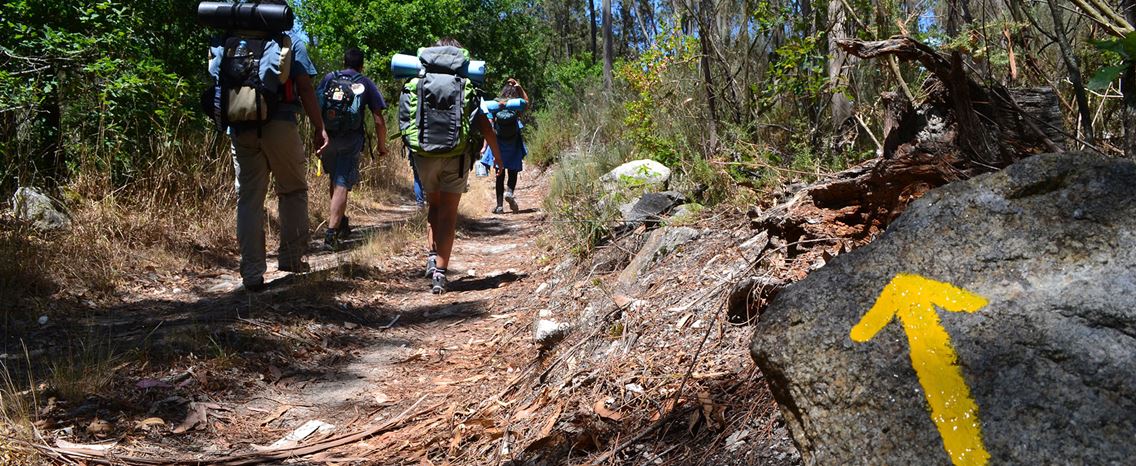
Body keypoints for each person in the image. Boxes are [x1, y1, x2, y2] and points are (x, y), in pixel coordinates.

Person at [221, 2, 327, 293]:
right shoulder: (288, 41)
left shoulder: (228, 41)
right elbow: (305, 88)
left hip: (240, 126)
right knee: (292, 190)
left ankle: (252, 273)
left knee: (249, 199)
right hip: (280, 124)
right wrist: (320, 128)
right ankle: (292, 259)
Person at [401, 38, 504, 294]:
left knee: (433, 205)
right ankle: (440, 272)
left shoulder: (417, 82)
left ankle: (431, 255)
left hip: (424, 155)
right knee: (448, 211)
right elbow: (485, 126)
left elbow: (404, 121)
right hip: (456, 156)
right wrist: (499, 159)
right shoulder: (465, 84)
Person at [316, 47, 389, 250]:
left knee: (335, 178)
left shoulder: (329, 78)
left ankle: (340, 222)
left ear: (343, 61)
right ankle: (331, 233)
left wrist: (318, 133)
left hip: (328, 137)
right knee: (341, 182)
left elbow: (315, 104)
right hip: (351, 139)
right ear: (361, 65)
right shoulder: (364, 82)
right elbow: (378, 118)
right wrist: (381, 146)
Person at [480, 78, 530, 214]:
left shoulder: (496, 104)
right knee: (513, 171)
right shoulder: (516, 106)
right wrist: (519, 88)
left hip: (498, 142)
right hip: (513, 142)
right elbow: (527, 103)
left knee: (499, 174)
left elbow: (489, 125)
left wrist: (485, 146)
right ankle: (510, 192)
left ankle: (500, 206)